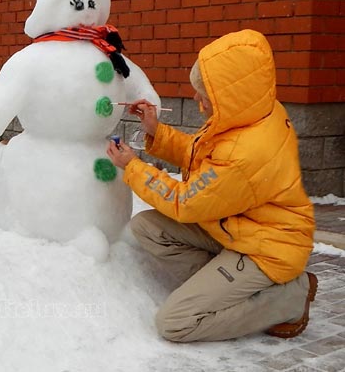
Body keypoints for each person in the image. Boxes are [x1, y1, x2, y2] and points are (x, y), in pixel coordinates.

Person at [107, 29, 316, 342]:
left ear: (229, 94)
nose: (196, 98)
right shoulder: (252, 115)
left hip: (268, 248)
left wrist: (133, 168)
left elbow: (186, 202)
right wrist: (157, 132)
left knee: (175, 323)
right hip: (239, 228)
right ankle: (223, 285)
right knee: (148, 227)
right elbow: (203, 155)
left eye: (204, 92)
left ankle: (287, 298)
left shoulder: (247, 152)